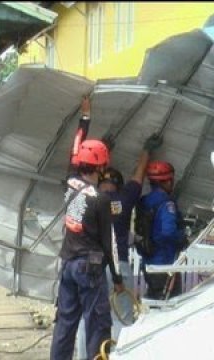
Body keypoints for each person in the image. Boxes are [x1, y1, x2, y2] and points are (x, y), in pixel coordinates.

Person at [50, 139, 124, 360]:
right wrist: (118, 278)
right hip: (89, 267)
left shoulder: (70, 185)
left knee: (65, 322)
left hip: (69, 265)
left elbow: (74, 157)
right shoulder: (100, 200)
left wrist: (85, 119)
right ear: (101, 168)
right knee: (97, 323)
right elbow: (109, 243)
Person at [97, 133, 162, 339]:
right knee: (122, 319)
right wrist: (147, 150)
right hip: (120, 266)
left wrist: (104, 150)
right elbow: (138, 176)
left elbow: (86, 172)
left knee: (89, 319)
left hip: (93, 266)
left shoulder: (90, 197)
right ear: (118, 185)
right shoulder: (124, 199)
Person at [139, 160, 186, 300]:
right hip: (164, 264)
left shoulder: (144, 201)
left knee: (154, 299)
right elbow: (167, 232)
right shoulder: (166, 204)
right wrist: (181, 237)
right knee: (168, 304)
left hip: (148, 262)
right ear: (167, 181)